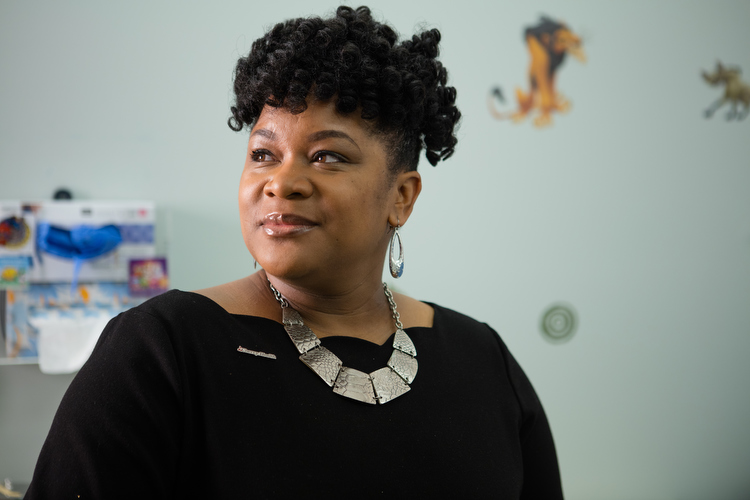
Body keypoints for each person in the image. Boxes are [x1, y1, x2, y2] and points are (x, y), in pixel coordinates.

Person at [25, 6, 563, 498]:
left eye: (327, 156)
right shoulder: (161, 350)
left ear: (401, 197)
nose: (281, 183)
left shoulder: (482, 359)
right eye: (263, 153)